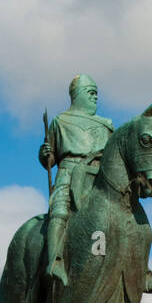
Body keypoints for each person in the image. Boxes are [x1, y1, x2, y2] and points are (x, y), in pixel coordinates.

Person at [39, 74, 113, 285]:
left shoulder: (106, 125)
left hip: (99, 176)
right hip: (68, 172)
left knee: (125, 216)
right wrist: (45, 153)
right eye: (91, 93)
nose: (96, 98)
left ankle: (141, 269)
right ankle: (55, 261)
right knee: (60, 211)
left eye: (97, 94)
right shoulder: (60, 121)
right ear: (78, 94)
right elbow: (51, 157)